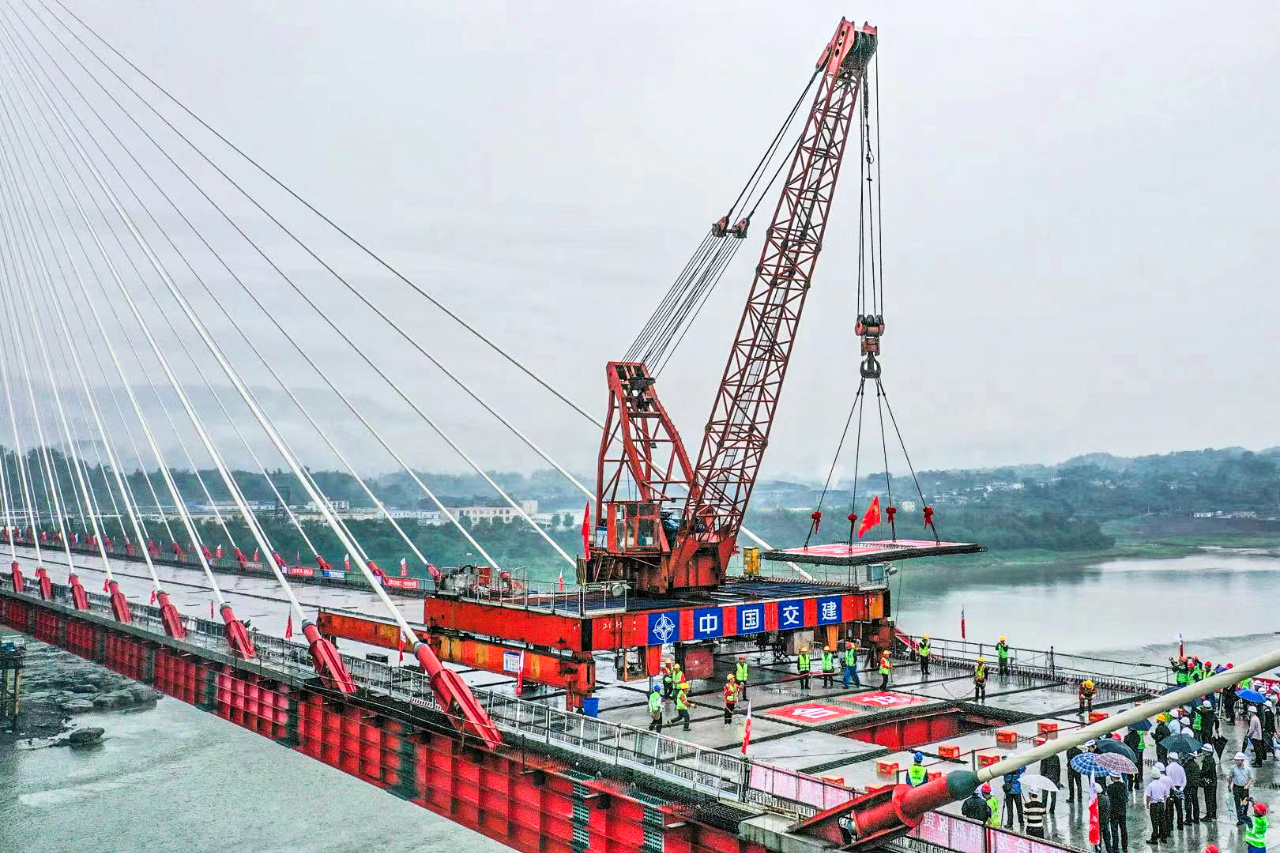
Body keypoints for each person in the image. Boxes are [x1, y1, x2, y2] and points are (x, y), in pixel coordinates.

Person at [1145, 762, 1169, 844]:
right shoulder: (1163, 785)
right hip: (1161, 804)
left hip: (1154, 805)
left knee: (1154, 822)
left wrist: (1147, 804)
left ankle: (1154, 838)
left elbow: (1148, 796)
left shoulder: (1150, 785)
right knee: (1162, 821)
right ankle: (1164, 837)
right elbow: (1165, 795)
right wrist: (1164, 803)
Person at [1106, 772, 1129, 853]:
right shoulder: (1123, 786)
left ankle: (1115, 847)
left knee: (1114, 830)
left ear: (1112, 777)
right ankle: (1125, 846)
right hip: (1122, 811)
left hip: (1114, 812)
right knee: (1123, 829)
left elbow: (1109, 799)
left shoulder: (1110, 787)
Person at [1230, 752, 1254, 825]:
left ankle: (1244, 816)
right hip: (1236, 788)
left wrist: (1247, 785)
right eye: (1236, 760)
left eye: (1238, 760)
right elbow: (1230, 777)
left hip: (1244, 789)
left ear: (1242, 760)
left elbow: (1250, 778)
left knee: (1245, 804)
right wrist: (1230, 785)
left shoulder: (1247, 769)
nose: (1236, 761)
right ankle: (1240, 819)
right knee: (1237, 804)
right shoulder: (1233, 768)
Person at [1165, 753, 1187, 832]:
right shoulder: (1181, 768)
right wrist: (1181, 789)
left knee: (1170, 809)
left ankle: (1170, 826)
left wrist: (1174, 789)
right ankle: (1180, 825)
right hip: (1179, 788)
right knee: (1179, 808)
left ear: (1171, 759)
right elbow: (1184, 780)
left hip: (1171, 789)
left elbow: (1169, 780)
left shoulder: (1168, 768)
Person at [1198, 743, 1218, 823]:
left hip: (1208, 783)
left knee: (1208, 799)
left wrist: (1199, 772)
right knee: (1213, 799)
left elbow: (1205, 771)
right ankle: (1213, 814)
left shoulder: (1206, 760)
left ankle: (1208, 816)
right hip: (1214, 781)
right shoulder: (1212, 759)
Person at [1183, 748, 1202, 825]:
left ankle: (1188, 819)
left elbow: (1184, 775)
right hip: (1195, 786)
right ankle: (1196, 818)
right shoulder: (1196, 765)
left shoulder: (1187, 765)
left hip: (1188, 786)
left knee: (1188, 802)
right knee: (1195, 801)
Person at [1125, 726, 1146, 792]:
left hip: (1130, 755)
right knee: (1136, 770)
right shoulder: (1138, 736)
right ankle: (1137, 784)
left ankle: (1130, 786)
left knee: (1130, 771)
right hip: (1136, 755)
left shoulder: (1127, 737)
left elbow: (1125, 746)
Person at [1096, 781, 1114, 853]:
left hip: (1098, 822)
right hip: (1106, 820)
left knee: (1098, 839)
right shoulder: (1106, 798)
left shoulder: (1095, 801)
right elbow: (1109, 809)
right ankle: (1109, 850)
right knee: (1107, 838)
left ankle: (1098, 850)